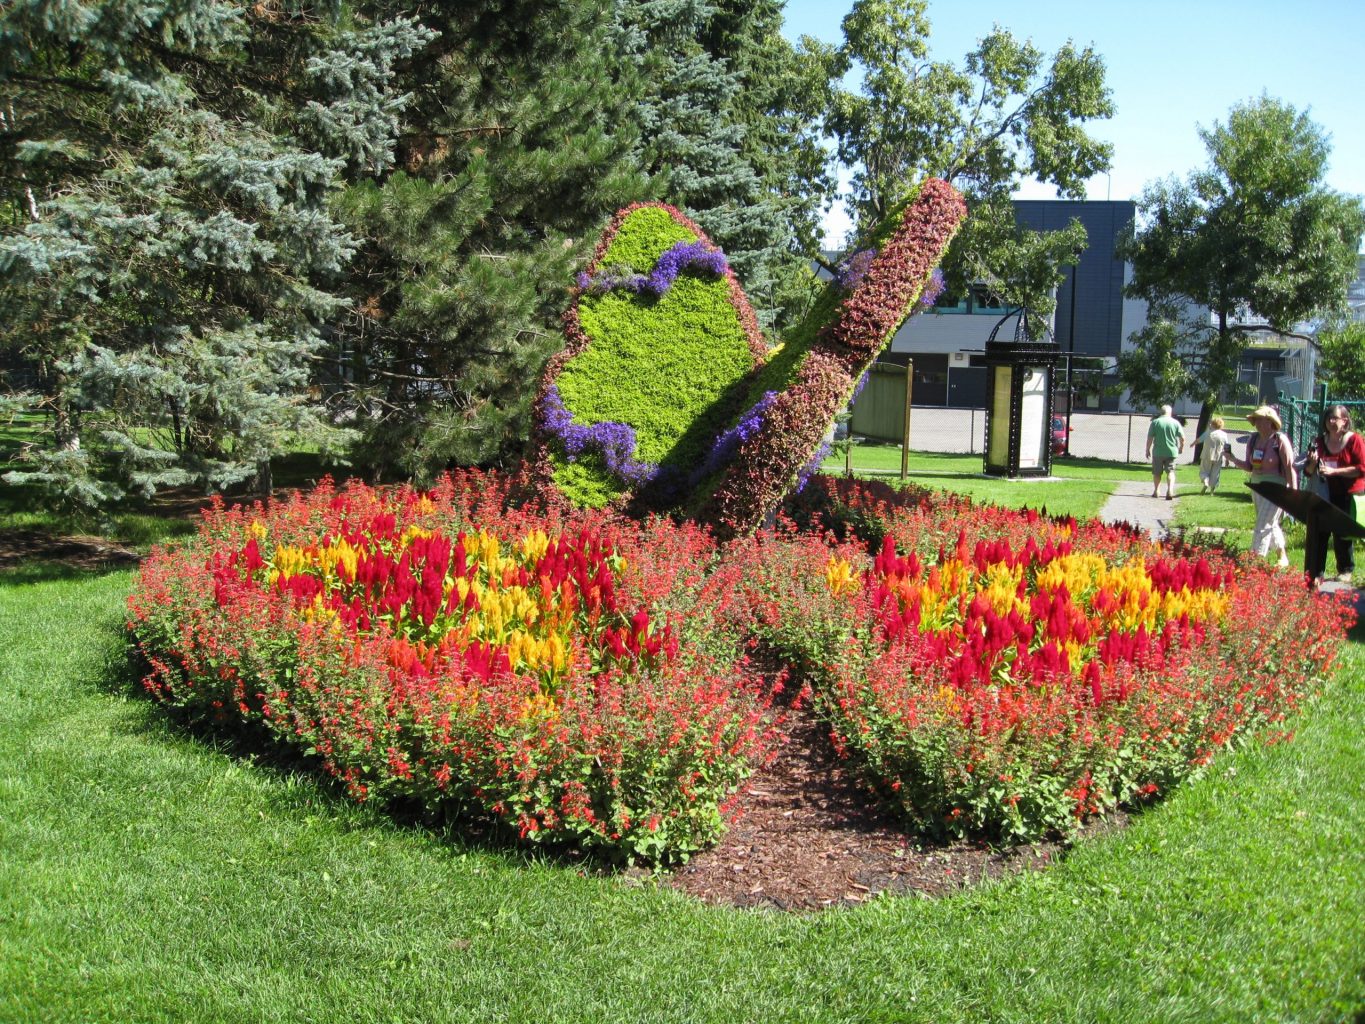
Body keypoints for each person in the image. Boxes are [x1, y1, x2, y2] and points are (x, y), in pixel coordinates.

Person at [1301, 404, 1365, 588]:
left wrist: (1335, 471)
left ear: (1345, 420)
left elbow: (1361, 469)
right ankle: (1316, 573)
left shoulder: (1354, 441)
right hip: (1324, 493)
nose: (1331, 421)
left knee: (1342, 533)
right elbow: (1307, 472)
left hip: (1349, 493)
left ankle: (1345, 569)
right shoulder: (1319, 441)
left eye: (1335, 418)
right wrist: (1312, 464)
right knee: (1320, 532)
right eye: (1328, 417)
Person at [1225, 405, 1296, 568]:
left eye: (1260, 420)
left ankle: (1255, 561)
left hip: (1276, 488)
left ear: (1270, 422)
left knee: (1263, 524)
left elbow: (1289, 467)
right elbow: (1250, 467)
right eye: (1255, 420)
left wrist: (1293, 492)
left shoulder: (1280, 440)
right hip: (1257, 487)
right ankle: (1282, 556)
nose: (1256, 423)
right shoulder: (1254, 439)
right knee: (1269, 522)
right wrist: (1232, 458)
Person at [1144, 404, 1185, 499]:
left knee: (1157, 473)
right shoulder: (1175, 423)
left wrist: (1147, 449)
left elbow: (1150, 438)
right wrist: (1181, 447)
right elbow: (1182, 438)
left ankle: (1157, 491)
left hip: (1158, 452)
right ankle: (1170, 490)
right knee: (1170, 472)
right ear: (1170, 412)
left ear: (1160, 412)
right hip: (1171, 452)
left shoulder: (1155, 422)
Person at [1195, 415, 1233, 493]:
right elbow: (1227, 447)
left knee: (1204, 471)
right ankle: (1212, 490)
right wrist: (1227, 459)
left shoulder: (1208, 433)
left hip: (1206, 455)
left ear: (1212, 424)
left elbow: (1199, 440)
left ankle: (1205, 482)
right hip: (1218, 456)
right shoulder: (1224, 435)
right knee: (1215, 473)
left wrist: (1192, 444)